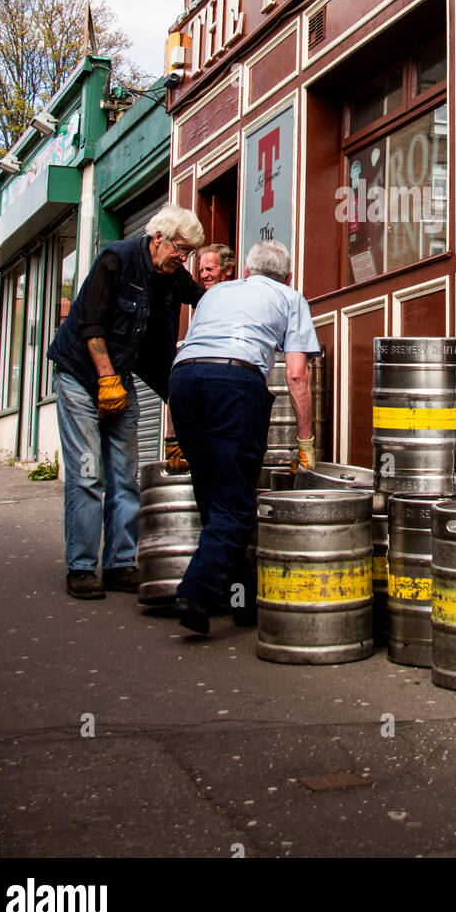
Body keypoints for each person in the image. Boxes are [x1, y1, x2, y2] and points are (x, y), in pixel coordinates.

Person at [47, 203, 204, 600]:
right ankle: (82, 567)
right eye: (180, 249)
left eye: (188, 252)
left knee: (124, 474)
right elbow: (90, 323)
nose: (184, 258)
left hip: (122, 373)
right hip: (82, 373)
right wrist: (106, 380)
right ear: (158, 239)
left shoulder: (172, 276)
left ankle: (120, 564)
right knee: (87, 473)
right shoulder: (116, 259)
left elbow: (205, 300)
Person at [168, 239, 320, 635]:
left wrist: (172, 435)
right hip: (234, 384)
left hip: (183, 381)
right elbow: (297, 374)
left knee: (212, 497)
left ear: (247, 271)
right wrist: (305, 442)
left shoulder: (215, 293)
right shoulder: (290, 297)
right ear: (288, 276)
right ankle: (195, 592)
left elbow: (194, 350)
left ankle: (240, 599)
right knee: (235, 505)